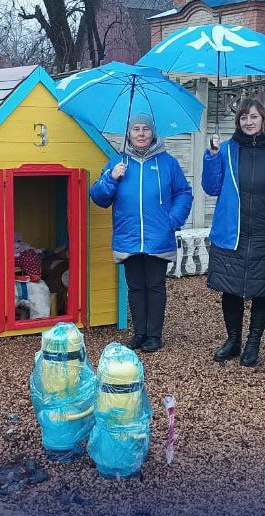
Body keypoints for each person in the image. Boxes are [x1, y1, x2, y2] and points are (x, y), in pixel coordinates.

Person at [90, 113, 193, 353]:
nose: (141, 133)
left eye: (145, 129)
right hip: (129, 236)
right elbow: (98, 197)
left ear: (153, 133)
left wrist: (173, 220)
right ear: (128, 134)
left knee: (155, 286)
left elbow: (183, 193)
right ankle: (139, 333)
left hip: (158, 236)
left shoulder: (168, 163)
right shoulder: (117, 162)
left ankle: (154, 335)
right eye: (135, 129)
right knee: (135, 287)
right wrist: (111, 178)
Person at [202, 99, 265, 367]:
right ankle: (233, 341)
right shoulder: (226, 149)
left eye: (254, 116)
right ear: (238, 122)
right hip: (233, 230)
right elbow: (211, 187)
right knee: (230, 289)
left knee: (262, 289)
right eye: (243, 117)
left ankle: (253, 343)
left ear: (264, 118)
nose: (249, 121)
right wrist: (212, 157)